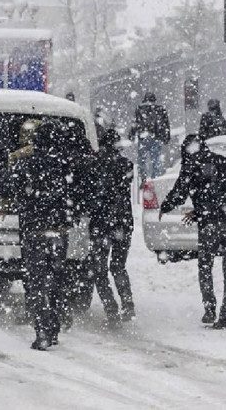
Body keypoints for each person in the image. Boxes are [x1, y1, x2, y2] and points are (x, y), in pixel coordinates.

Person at [0, 121, 80, 350]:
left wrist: (5, 206)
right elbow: (77, 192)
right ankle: (54, 328)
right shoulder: (65, 163)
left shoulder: (25, 162)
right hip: (59, 231)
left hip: (34, 230)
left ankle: (42, 329)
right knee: (56, 280)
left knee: (36, 282)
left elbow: (9, 186)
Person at [158, 135, 226, 330]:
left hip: (210, 224)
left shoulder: (190, 166)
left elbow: (180, 192)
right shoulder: (222, 161)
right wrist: (201, 211)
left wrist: (166, 206)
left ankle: (209, 309)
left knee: (205, 266)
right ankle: (225, 316)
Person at [87, 129, 135, 326]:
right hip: (123, 221)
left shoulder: (94, 165)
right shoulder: (126, 164)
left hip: (101, 224)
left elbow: (90, 193)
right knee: (118, 265)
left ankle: (111, 308)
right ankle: (128, 303)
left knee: (99, 269)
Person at [131, 92, 170, 183]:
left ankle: (143, 178)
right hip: (156, 137)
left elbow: (134, 123)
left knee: (142, 160)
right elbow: (166, 125)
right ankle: (155, 179)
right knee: (155, 159)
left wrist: (132, 134)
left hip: (143, 137)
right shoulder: (160, 109)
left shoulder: (139, 109)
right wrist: (166, 137)